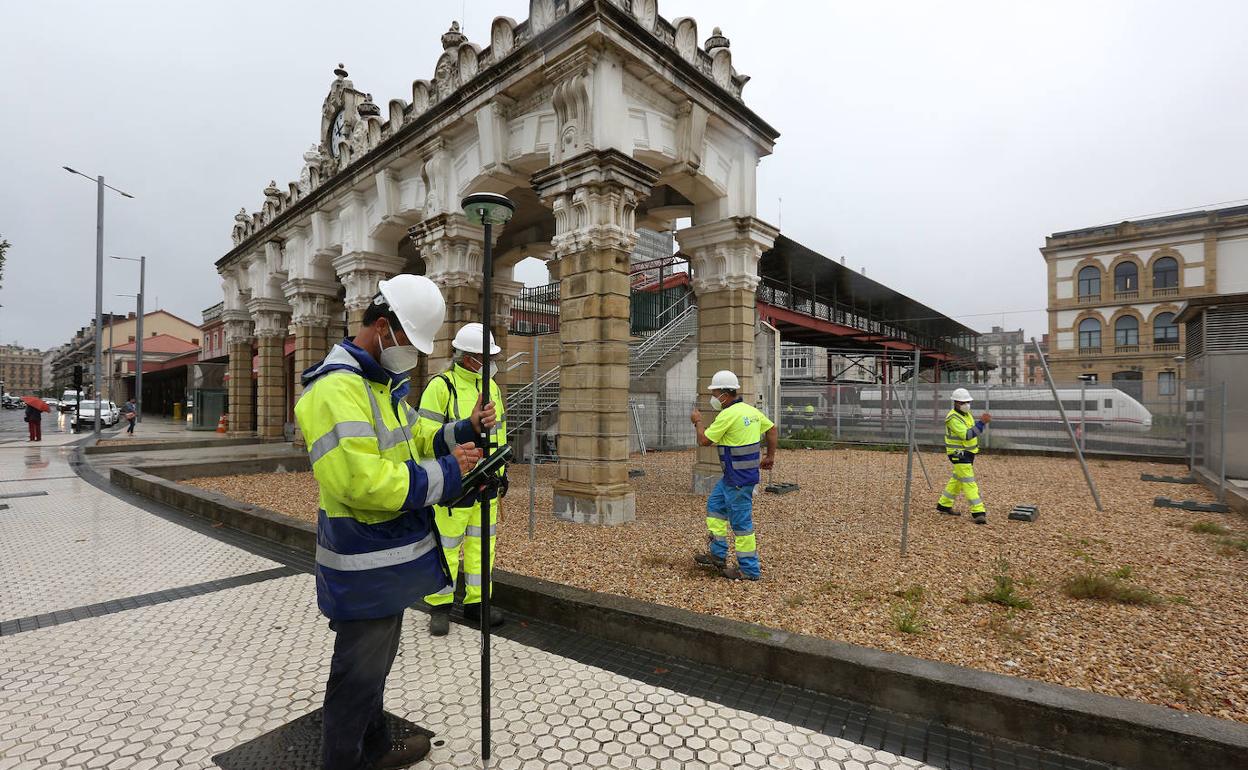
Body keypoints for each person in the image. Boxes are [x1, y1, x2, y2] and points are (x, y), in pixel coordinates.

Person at [294, 274, 495, 770]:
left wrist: (462, 434)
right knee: (356, 675)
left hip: (386, 559)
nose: (413, 355)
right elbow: (361, 482)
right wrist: (451, 475)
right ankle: (344, 762)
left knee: (374, 668)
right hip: (363, 558)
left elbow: (415, 440)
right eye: (409, 342)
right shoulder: (336, 391)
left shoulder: (378, 387)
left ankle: (377, 747)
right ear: (382, 328)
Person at [414, 322, 508, 636]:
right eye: (487, 356)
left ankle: (476, 605)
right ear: (469, 358)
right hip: (455, 485)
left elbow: (501, 434)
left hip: (487, 484)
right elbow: (424, 439)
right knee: (446, 546)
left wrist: (502, 475)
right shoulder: (441, 387)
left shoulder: (491, 388)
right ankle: (439, 607)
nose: (493, 362)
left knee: (484, 546)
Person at [690, 370, 777, 581]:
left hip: (738, 480)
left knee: (741, 525)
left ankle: (749, 569)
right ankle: (717, 555)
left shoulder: (727, 415)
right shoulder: (750, 411)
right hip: (735, 477)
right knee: (715, 507)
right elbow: (772, 429)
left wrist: (697, 422)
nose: (713, 396)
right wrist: (770, 456)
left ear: (724, 394)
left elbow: (704, 441)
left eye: (715, 392)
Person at [936, 387, 992, 525]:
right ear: (955, 402)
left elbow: (972, 432)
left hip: (968, 453)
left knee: (957, 480)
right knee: (969, 482)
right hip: (958, 454)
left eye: (968, 401)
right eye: (963, 402)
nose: (966, 404)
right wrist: (982, 423)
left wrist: (980, 425)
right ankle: (978, 512)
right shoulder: (952, 418)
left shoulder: (966, 415)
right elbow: (966, 435)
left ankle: (944, 505)